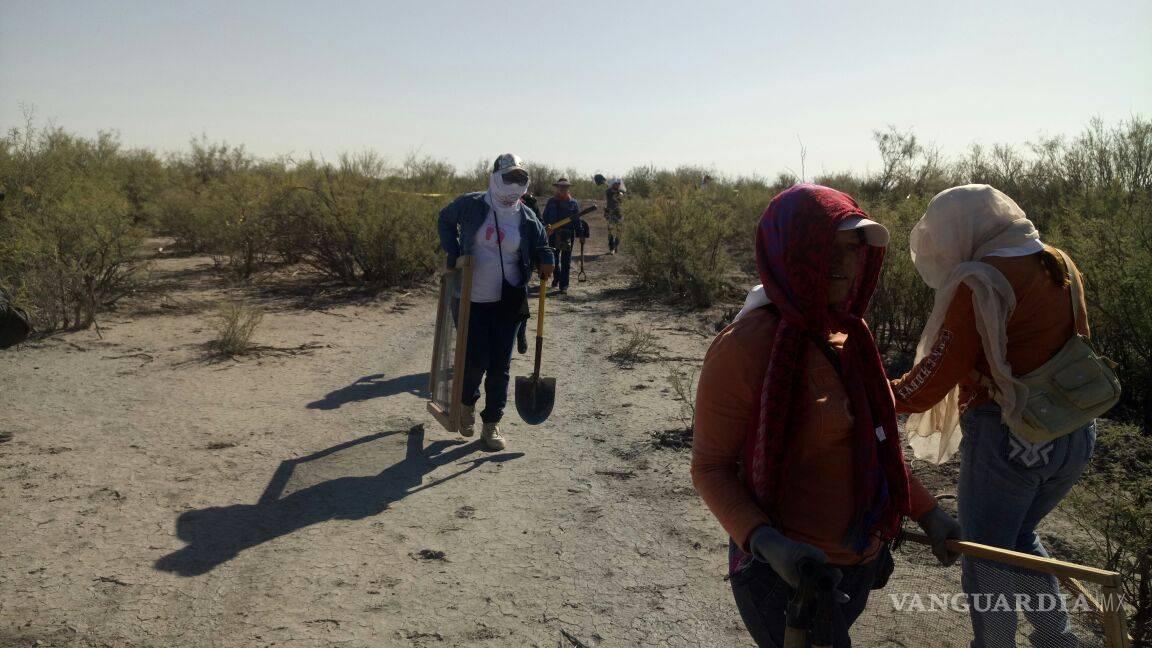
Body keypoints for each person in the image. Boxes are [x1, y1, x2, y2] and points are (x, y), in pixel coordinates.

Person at [691, 184, 959, 648]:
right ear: (791, 251)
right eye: (824, 249)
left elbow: (872, 447)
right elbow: (710, 468)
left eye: (852, 249)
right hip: (787, 579)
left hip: (857, 565)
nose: (841, 264)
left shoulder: (851, 335)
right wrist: (767, 543)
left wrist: (929, 512)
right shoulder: (746, 346)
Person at [891, 185, 1096, 647]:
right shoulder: (1058, 261)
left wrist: (879, 392)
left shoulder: (980, 279)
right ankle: (1057, 640)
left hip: (1012, 440)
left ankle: (995, 643)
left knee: (986, 558)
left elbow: (933, 380)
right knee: (1020, 537)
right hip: (1075, 433)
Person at [437, 154, 554, 450]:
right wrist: (453, 254)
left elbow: (541, 243)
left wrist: (546, 260)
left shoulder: (526, 217)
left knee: (500, 365)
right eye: (508, 177)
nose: (514, 184)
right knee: (474, 361)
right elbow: (445, 219)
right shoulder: (473, 204)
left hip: (509, 299)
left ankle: (492, 424)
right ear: (494, 177)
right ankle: (466, 406)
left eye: (519, 178)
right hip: (471, 299)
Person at [541, 178, 582, 294]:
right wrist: (546, 228)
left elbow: (577, 220)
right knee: (553, 258)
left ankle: (564, 285)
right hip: (553, 234)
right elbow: (544, 217)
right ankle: (557, 277)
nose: (563, 189)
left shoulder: (573, 203)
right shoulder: (551, 202)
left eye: (565, 187)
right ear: (557, 188)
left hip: (567, 235)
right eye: (561, 187)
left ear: (568, 188)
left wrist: (581, 233)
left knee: (566, 260)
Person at [604, 178, 625, 254]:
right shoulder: (609, 192)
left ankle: (616, 246)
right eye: (615, 184)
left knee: (619, 232)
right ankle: (611, 248)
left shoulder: (621, 193)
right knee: (611, 231)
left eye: (618, 184)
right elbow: (611, 192)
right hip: (610, 214)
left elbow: (622, 201)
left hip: (619, 214)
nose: (617, 185)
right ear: (613, 184)